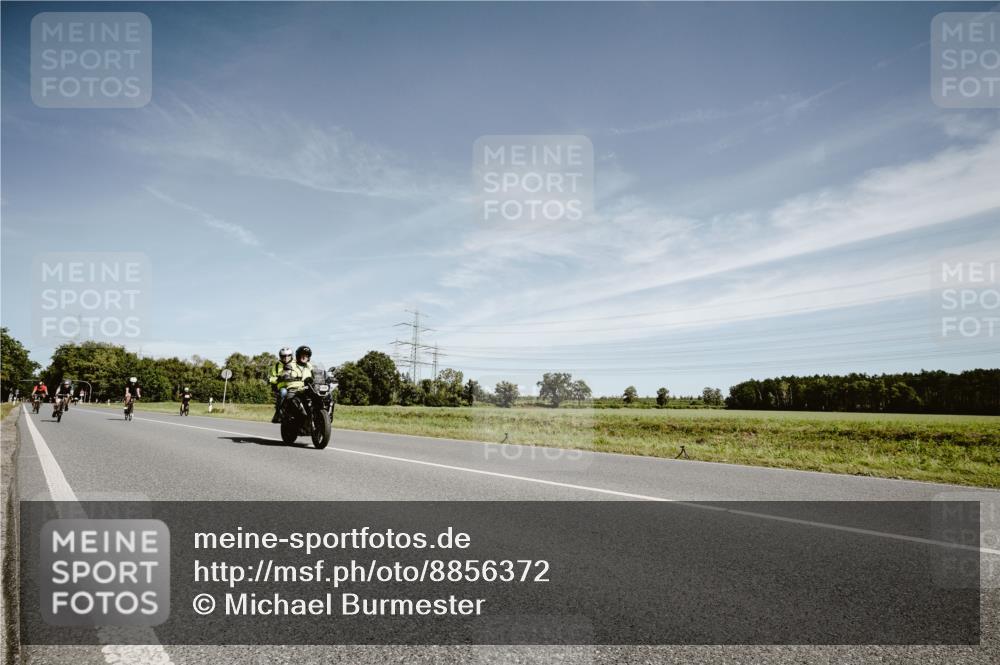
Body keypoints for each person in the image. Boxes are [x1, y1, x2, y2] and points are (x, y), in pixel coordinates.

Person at [269, 346, 295, 423]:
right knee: (283, 392)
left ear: (291, 355)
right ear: (280, 356)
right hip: (283, 386)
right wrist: (278, 379)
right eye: (284, 356)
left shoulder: (296, 364)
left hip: (295, 385)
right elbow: (271, 378)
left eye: (288, 355)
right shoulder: (276, 366)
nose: (286, 357)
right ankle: (278, 413)